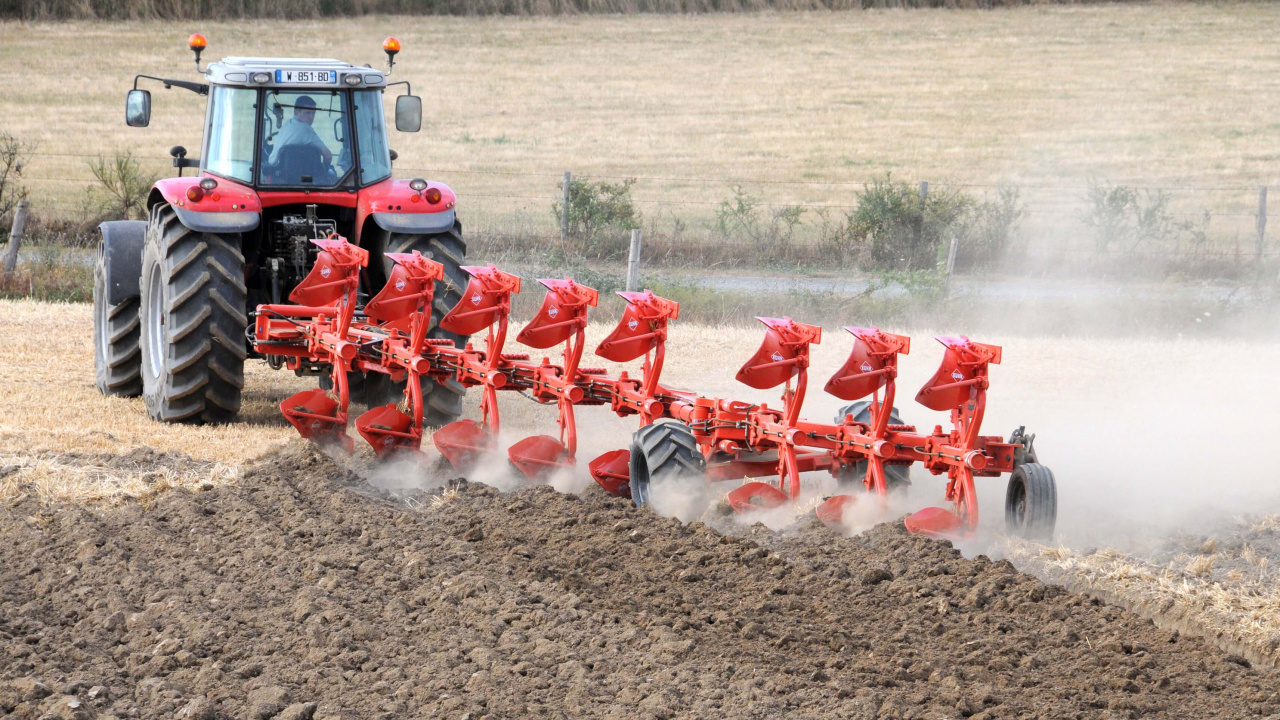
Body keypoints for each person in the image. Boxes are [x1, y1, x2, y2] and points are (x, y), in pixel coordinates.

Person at [269, 95, 333, 168]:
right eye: (307, 113)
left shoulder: (286, 125)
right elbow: (328, 156)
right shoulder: (306, 129)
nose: (311, 117)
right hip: (303, 176)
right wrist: (325, 169)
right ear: (296, 112)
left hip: (276, 173)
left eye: (313, 113)